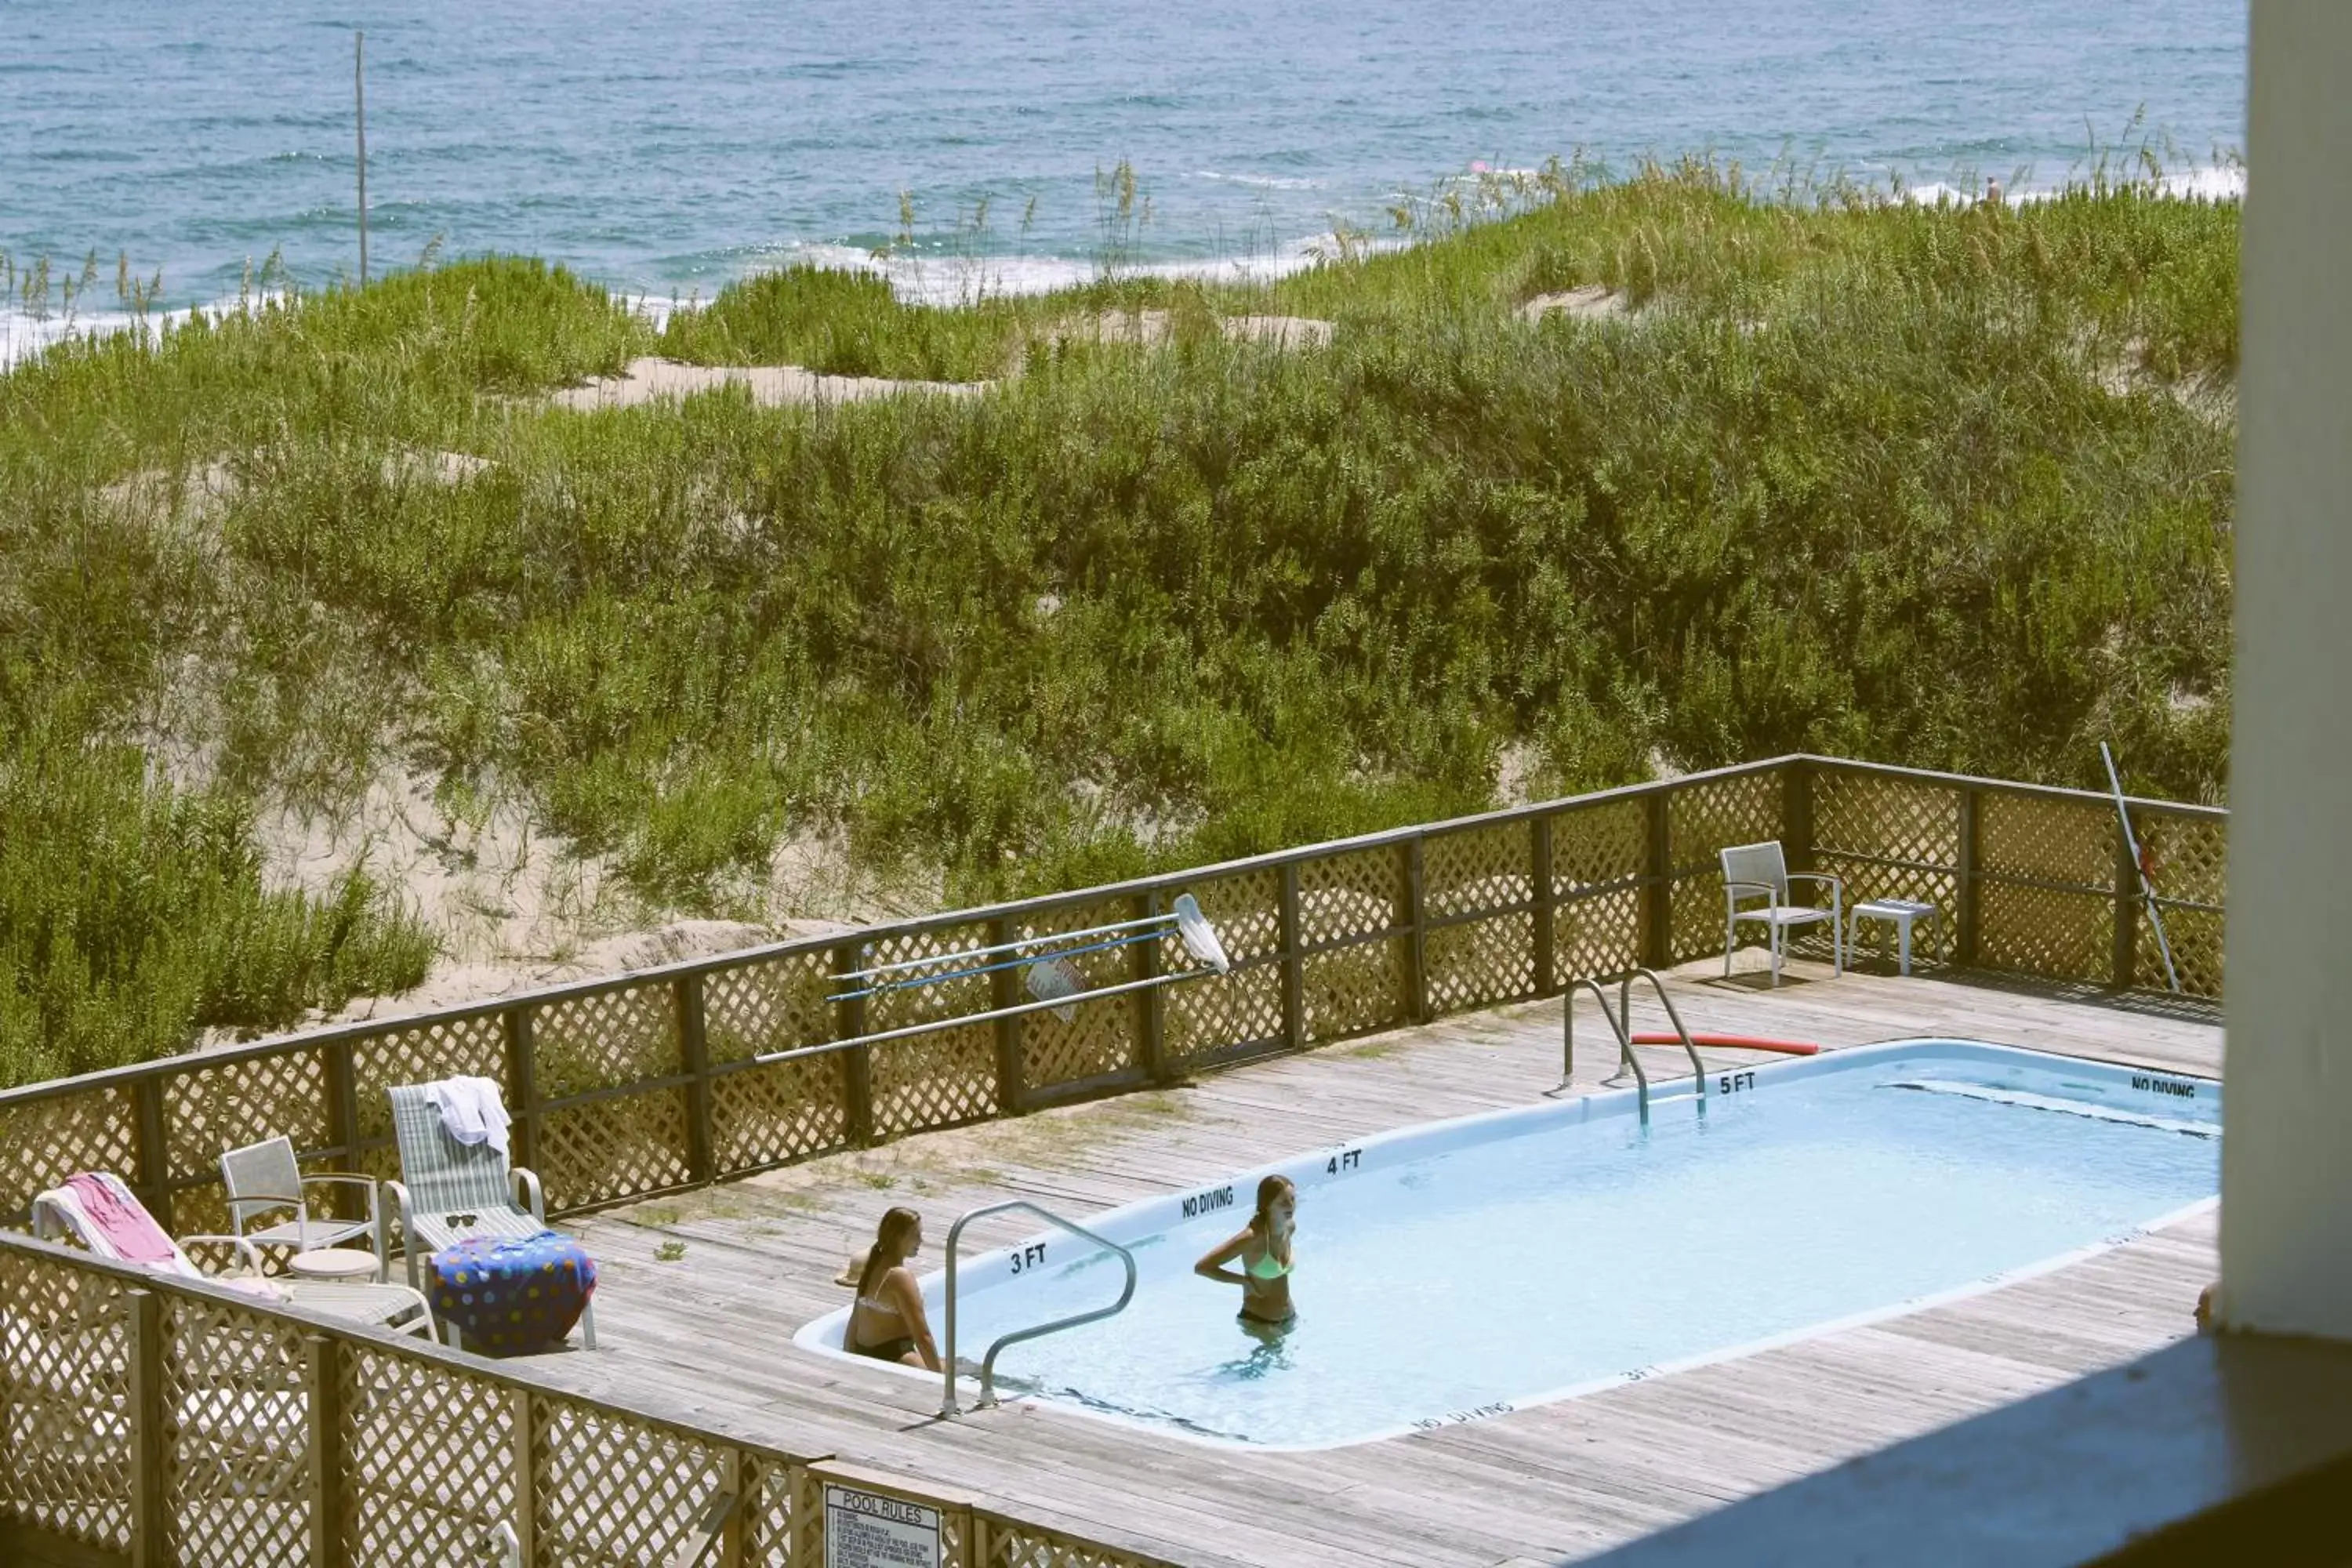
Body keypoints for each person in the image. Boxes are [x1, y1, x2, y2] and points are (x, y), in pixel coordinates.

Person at [844, 1207, 941, 1370]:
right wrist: (939, 1379)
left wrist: (847, 1360)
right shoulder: (900, 1276)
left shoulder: (871, 1267)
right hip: (895, 1356)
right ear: (898, 1238)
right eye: (915, 1235)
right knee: (972, 1370)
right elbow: (923, 1337)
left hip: (864, 1352)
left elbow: (854, 1323)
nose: (921, 1241)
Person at [1194, 1174, 1297, 1329]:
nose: (1290, 1206)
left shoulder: (1289, 1228)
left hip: (1289, 1320)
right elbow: (1203, 1267)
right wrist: (1244, 1282)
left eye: (1293, 1199)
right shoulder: (1252, 1238)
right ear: (1268, 1205)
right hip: (1259, 1322)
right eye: (1283, 1202)